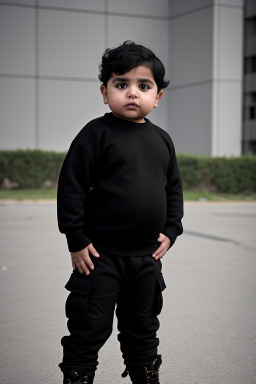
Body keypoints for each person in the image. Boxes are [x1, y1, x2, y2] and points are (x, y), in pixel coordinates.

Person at [57, 40, 183, 384]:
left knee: (142, 328)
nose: (132, 93)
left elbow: (172, 190)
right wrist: (76, 238)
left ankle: (146, 375)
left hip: (146, 259)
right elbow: (71, 188)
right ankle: (78, 377)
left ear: (157, 97)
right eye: (121, 84)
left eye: (143, 86)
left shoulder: (162, 141)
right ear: (104, 91)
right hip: (99, 257)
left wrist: (172, 230)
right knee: (89, 327)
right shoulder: (94, 135)